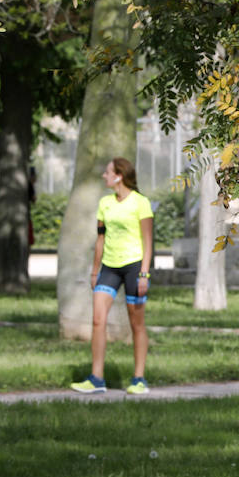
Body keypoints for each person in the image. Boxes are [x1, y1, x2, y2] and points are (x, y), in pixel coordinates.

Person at [71, 157, 154, 394]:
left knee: (136, 323)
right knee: (98, 320)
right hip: (109, 268)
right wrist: (95, 270)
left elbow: (148, 242)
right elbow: (100, 239)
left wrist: (144, 274)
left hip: (134, 267)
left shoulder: (141, 203)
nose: (104, 176)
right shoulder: (105, 204)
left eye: (107, 172)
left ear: (119, 176)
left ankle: (139, 378)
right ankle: (97, 379)